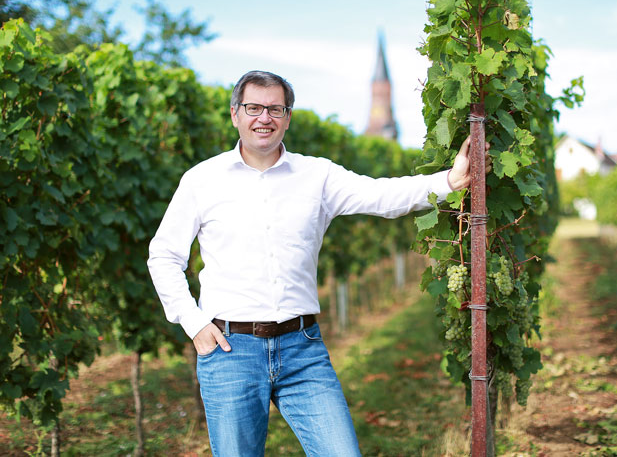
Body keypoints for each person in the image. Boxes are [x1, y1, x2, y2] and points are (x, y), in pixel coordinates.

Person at [147, 70, 474, 456]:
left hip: (302, 348)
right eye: (254, 107)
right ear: (235, 114)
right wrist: (194, 322)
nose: (264, 118)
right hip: (229, 352)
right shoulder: (202, 180)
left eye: (276, 109)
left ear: (288, 117)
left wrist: (449, 181)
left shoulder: (317, 175)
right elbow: (164, 255)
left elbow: (380, 195)